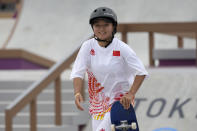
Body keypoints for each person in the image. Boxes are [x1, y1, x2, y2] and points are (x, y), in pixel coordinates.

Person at [70, 7, 148, 131]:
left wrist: (131, 94)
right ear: (93, 27)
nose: (101, 29)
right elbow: (78, 72)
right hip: (98, 105)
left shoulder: (122, 48)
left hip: (119, 103)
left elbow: (141, 72)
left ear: (113, 27)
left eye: (106, 25)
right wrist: (77, 92)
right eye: (97, 25)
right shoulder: (87, 46)